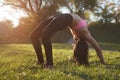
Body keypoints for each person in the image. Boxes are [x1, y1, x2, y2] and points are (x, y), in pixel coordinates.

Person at [30, 13, 105, 68]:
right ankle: (41, 62)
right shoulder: (85, 32)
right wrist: (102, 61)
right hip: (61, 17)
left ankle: (49, 64)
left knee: (45, 36)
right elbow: (97, 47)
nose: (75, 40)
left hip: (62, 17)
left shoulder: (80, 33)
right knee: (33, 36)